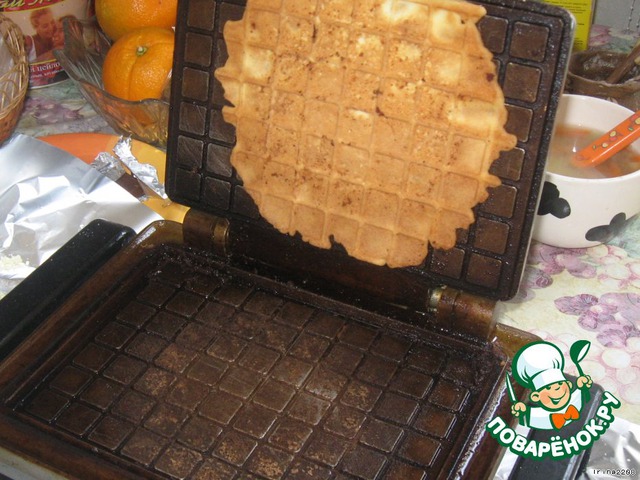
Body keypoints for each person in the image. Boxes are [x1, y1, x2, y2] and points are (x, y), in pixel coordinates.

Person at [510, 341, 593, 430]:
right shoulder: (540, 415)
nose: (557, 390)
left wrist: (582, 386)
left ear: (569, 385)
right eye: (549, 388)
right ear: (536, 396)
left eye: (560, 384)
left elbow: (581, 395)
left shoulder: (575, 400)